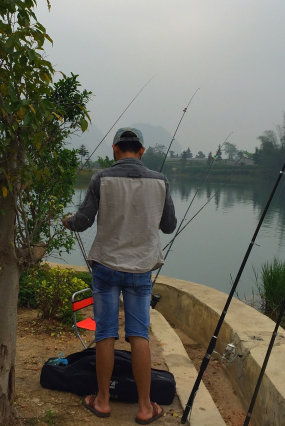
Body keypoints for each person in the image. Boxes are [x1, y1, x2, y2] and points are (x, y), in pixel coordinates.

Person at [63, 127, 176, 424]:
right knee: (140, 335)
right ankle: (144, 406)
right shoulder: (161, 181)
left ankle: (101, 401)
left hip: (106, 267)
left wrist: (68, 221)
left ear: (115, 149)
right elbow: (169, 226)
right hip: (140, 271)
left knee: (105, 334)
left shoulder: (101, 178)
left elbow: (82, 222)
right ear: (141, 151)